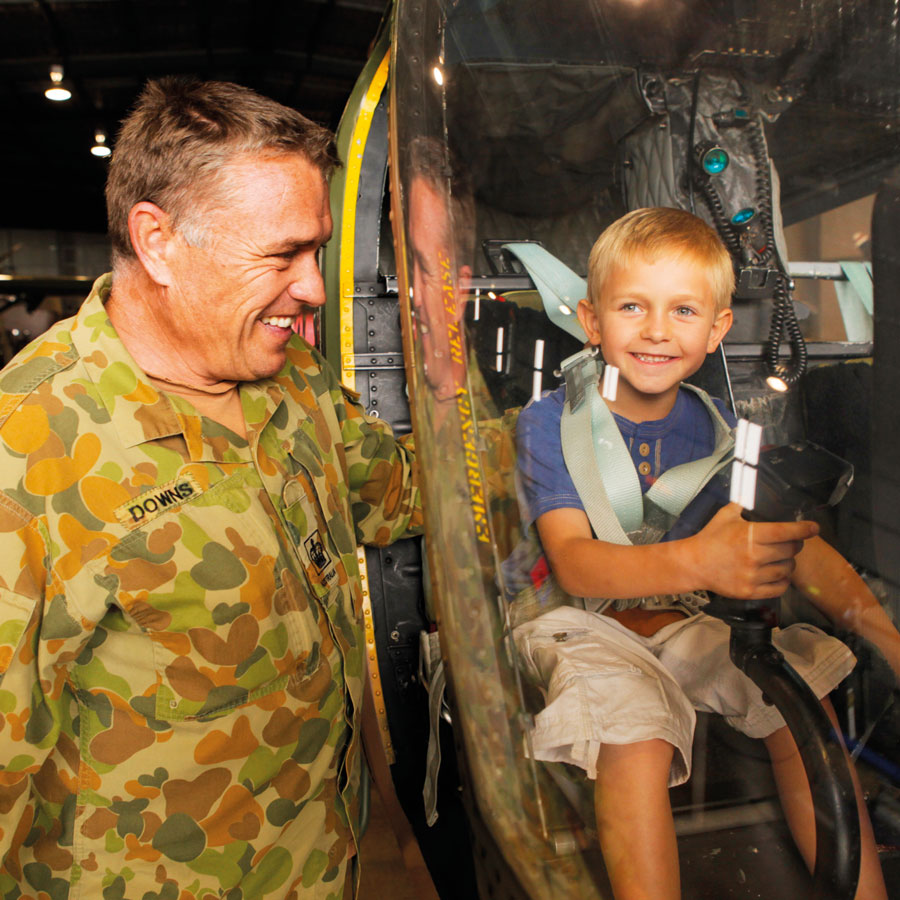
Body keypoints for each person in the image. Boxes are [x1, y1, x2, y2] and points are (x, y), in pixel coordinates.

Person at [0, 78, 422, 900]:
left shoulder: (289, 378)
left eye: (317, 251)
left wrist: (573, 441)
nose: (312, 287)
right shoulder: (32, 447)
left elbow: (400, 493)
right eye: (281, 254)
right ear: (157, 240)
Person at [512, 207, 895, 899]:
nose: (657, 330)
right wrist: (704, 562)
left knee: (800, 692)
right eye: (633, 306)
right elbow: (574, 563)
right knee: (637, 727)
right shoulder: (553, 423)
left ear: (717, 327)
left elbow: (792, 547)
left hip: (680, 617)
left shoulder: (725, 433)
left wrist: (885, 634)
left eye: (684, 310)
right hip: (573, 618)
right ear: (592, 320)